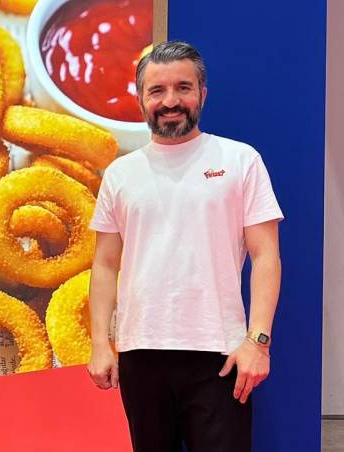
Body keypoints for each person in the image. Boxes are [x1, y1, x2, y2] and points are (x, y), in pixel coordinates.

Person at [87, 41, 283, 452]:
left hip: (222, 354)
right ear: (140, 98)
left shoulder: (240, 160)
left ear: (202, 94)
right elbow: (104, 264)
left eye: (183, 88)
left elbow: (266, 256)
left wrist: (258, 342)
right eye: (157, 90)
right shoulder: (120, 173)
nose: (170, 101)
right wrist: (100, 344)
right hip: (140, 352)